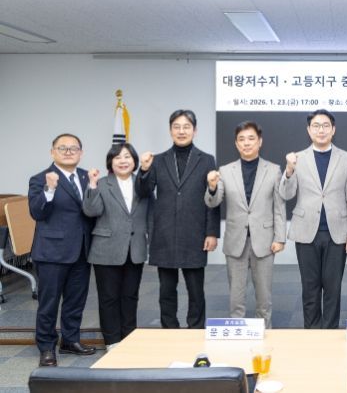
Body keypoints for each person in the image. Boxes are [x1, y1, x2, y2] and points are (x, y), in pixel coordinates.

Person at [135, 109, 220, 329]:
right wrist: (143, 169)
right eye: (177, 127)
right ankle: (169, 330)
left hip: (195, 234)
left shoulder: (207, 160)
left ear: (195, 130)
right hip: (164, 234)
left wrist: (211, 232)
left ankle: (196, 329)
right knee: (166, 290)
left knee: (196, 290)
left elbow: (213, 199)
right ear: (170, 130)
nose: (181, 131)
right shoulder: (157, 160)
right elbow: (143, 192)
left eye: (186, 127)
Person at [278, 109, 347, 329]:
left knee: (333, 288)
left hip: (337, 233)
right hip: (306, 231)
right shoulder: (297, 158)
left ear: (333, 130)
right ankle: (312, 333)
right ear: (308, 130)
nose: (321, 130)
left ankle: (330, 332)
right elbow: (286, 194)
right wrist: (289, 170)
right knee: (310, 288)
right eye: (316, 126)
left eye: (325, 125)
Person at [205, 121, 286, 327]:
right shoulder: (225, 171)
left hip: (264, 242)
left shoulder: (273, 170)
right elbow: (213, 202)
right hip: (236, 241)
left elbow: (279, 207)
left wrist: (280, 238)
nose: (246, 143)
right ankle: (236, 334)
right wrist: (212, 187)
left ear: (260, 141)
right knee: (236, 298)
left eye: (251, 138)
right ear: (236, 144)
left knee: (264, 299)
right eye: (241, 139)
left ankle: (266, 334)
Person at [28, 133, 96, 367]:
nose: (68, 152)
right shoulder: (40, 179)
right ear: (52, 152)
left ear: (81, 153)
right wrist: (49, 189)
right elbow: (37, 212)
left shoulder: (87, 177)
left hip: (82, 250)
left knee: (76, 300)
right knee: (49, 303)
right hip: (52, 252)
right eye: (62, 148)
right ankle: (46, 347)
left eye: (73, 148)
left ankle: (70, 340)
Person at [82, 143, 149, 351]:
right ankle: (112, 341)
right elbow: (91, 211)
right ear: (111, 162)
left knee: (130, 296)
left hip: (135, 248)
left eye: (127, 156)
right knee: (108, 297)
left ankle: (129, 339)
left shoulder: (143, 184)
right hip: (106, 249)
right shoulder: (102, 184)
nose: (123, 161)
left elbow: (152, 213)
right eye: (117, 157)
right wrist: (92, 185)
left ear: (134, 161)